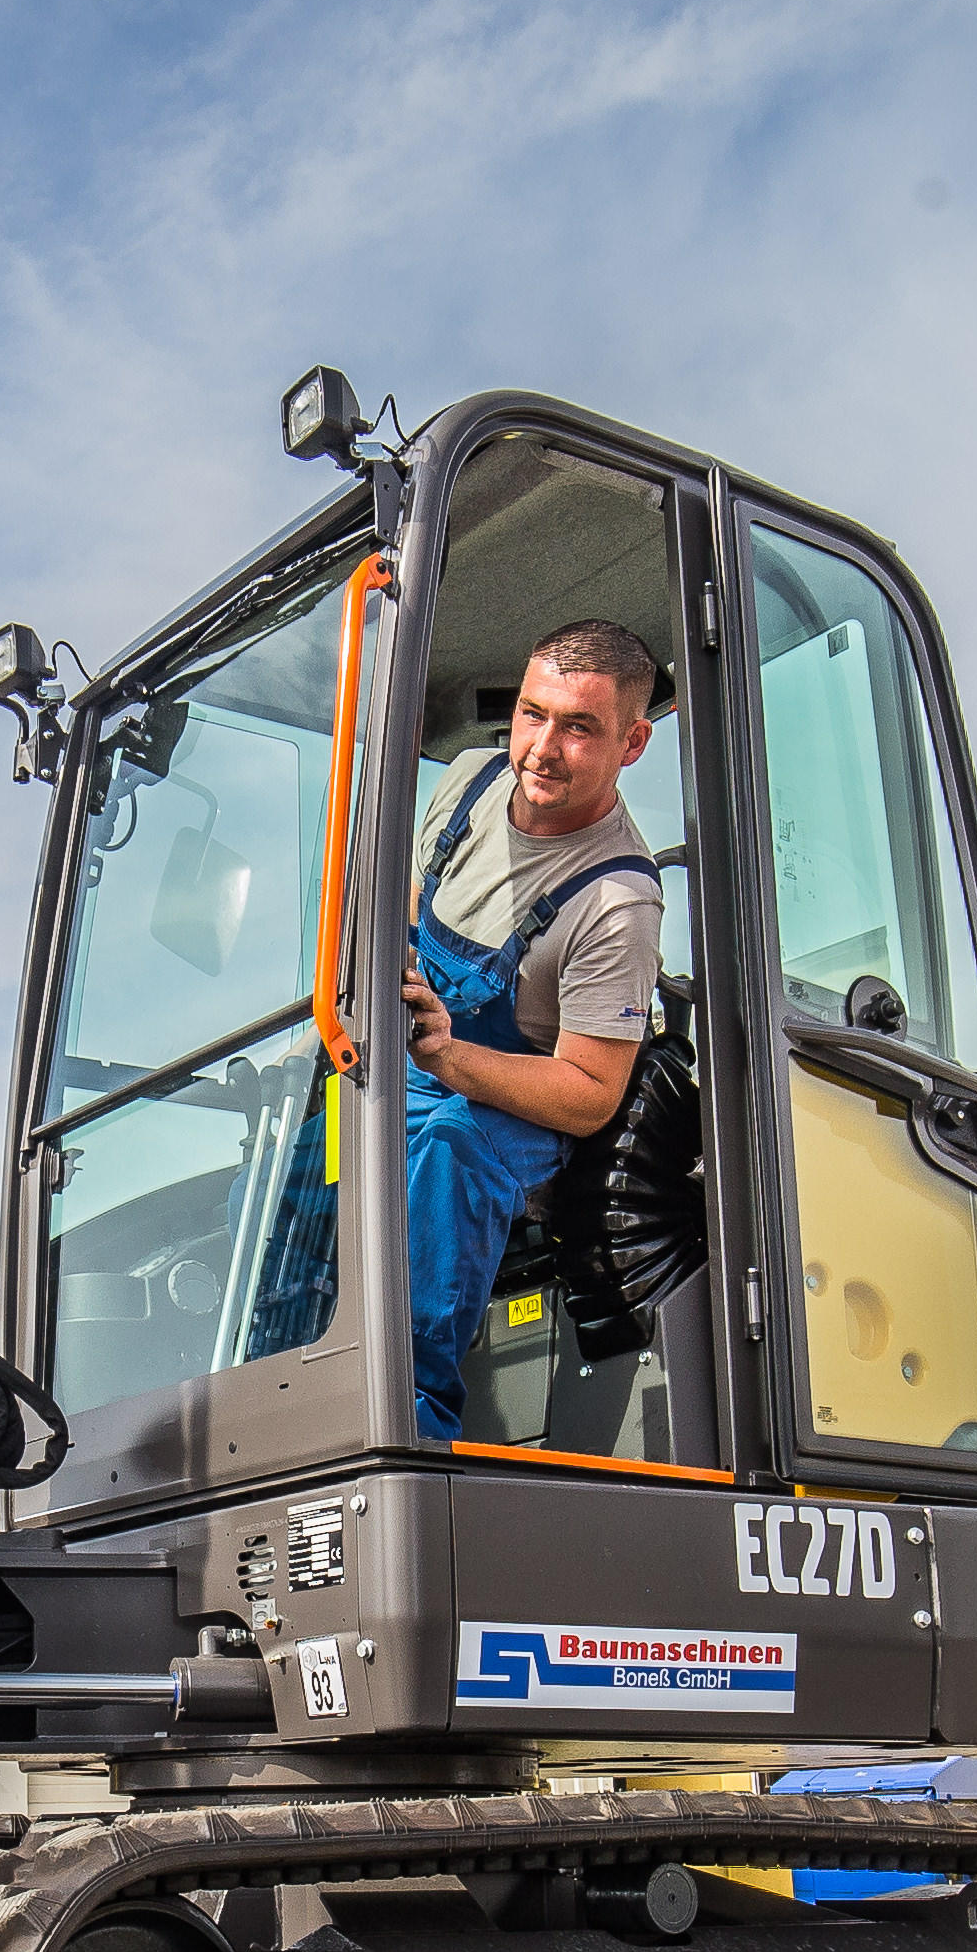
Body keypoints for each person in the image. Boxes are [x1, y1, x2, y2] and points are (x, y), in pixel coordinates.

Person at [397, 617, 670, 1442]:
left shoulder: (617, 900)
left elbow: (588, 1094)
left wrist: (449, 1053)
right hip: (418, 1060)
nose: (541, 748)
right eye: (531, 714)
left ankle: (410, 1429)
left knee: (447, 1154)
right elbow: (403, 912)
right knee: (298, 1169)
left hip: (517, 1107)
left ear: (632, 742)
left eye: (578, 726)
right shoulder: (472, 781)